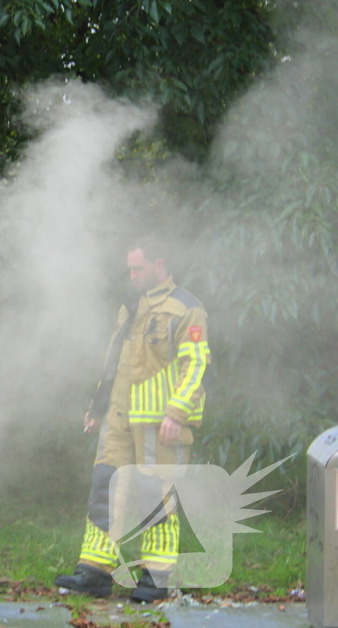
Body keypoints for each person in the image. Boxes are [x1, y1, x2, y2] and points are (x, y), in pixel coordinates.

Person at [54, 238, 211, 602]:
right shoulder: (132, 305)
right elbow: (115, 361)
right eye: (129, 269)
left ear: (159, 265)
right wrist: (97, 407)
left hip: (160, 426)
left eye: (138, 268)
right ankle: (94, 571)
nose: (132, 275)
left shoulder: (187, 308)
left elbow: (195, 365)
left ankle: (156, 578)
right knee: (104, 489)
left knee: (155, 497)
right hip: (118, 420)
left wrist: (176, 413)